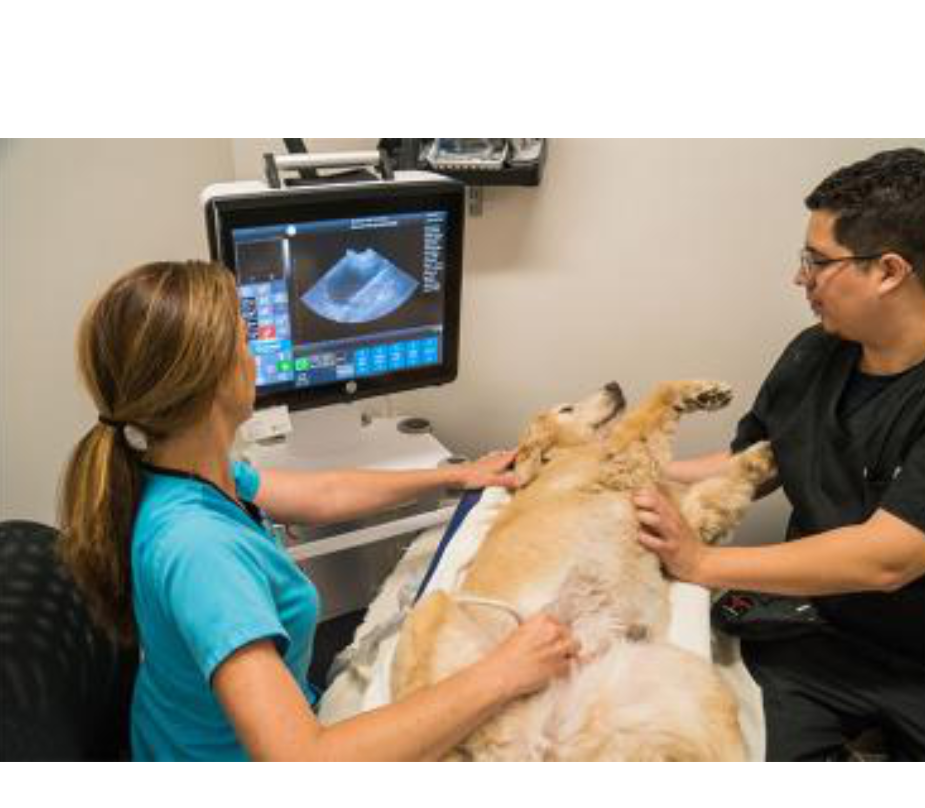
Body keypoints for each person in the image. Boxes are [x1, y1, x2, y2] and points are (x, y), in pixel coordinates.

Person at [59, 261, 579, 762]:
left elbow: (325, 493)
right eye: (245, 338)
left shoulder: (188, 469)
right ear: (213, 378)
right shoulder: (199, 551)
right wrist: (506, 671)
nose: (257, 352)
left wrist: (452, 476)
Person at [633, 147, 925, 762]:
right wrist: (632, 478)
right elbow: (754, 465)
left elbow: (888, 559)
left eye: (817, 262)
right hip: (823, 631)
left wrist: (700, 562)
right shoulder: (815, 352)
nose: (801, 279)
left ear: (889, 271)